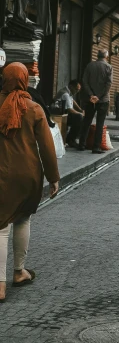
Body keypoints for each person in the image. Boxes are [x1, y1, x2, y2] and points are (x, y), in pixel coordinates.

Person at [0, 63, 59, 302]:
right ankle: (19, 271)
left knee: (1, 226)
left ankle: (0, 286)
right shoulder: (34, 108)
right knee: (23, 218)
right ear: (25, 80)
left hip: (1, 173)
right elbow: (47, 147)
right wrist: (53, 178)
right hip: (28, 175)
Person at [78, 49, 113, 153]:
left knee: (87, 121)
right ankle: (96, 147)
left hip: (90, 99)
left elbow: (85, 81)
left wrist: (91, 95)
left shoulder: (90, 66)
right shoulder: (108, 67)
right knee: (100, 123)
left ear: (97, 56)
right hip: (103, 99)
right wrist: (99, 96)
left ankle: (82, 144)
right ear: (106, 56)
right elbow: (108, 84)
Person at [53, 79, 84, 148]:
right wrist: (80, 114)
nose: (77, 91)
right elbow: (70, 109)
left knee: (80, 116)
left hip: (65, 113)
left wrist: (80, 110)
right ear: (71, 86)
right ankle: (70, 139)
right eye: (76, 89)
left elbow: (72, 101)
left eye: (78, 90)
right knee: (79, 118)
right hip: (61, 114)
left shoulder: (69, 92)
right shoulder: (65, 94)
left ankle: (73, 138)